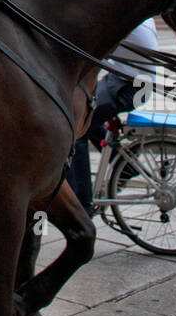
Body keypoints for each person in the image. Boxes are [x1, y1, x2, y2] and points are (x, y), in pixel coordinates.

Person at [67, 18, 159, 213]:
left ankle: (82, 204)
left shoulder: (126, 15)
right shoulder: (140, 14)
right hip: (128, 81)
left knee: (77, 131)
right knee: (90, 120)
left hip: (127, 86)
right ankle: (125, 166)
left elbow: (93, 49)